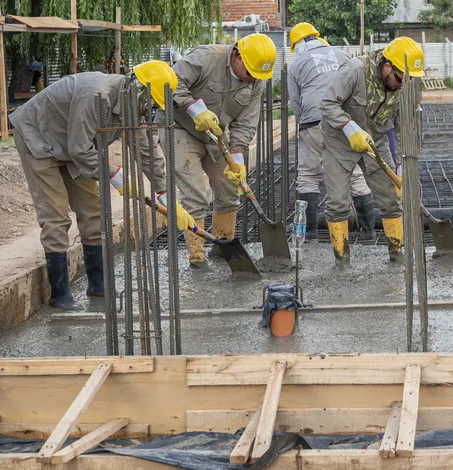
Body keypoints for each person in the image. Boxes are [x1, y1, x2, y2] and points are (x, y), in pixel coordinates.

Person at [9, 61, 194, 309]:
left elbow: (147, 151)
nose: (149, 110)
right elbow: (79, 149)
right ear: (139, 90)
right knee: (56, 216)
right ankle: (60, 293)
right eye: (150, 103)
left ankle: (98, 284)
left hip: (76, 146)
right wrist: (117, 176)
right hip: (40, 139)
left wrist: (166, 195)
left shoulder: (131, 107)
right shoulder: (97, 95)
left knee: (92, 214)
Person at [169, 33, 276, 268]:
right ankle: (197, 256)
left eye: (257, 76)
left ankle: (223, 245)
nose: (252, 80)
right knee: (196, 194)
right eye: (250, 73)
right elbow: (171, 80)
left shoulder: (255, 81)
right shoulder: (207, 57)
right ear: (237, 55)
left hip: (217, 135)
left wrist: (237, 158)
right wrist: (194, 108)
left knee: (229, 191)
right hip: (181, 128)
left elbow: (246, 123)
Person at [320, 37, 424, 267]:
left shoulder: (405, 84)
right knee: (338, 202)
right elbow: (327, 103)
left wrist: (403, 166)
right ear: (387, 66)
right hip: (340, 142)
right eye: (399, 78)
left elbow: (406, 127)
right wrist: (349, 127)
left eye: (408, 80)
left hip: (375, 142)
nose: (402, 85)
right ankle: (342, 261)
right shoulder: (355, 71)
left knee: (391, 200)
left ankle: (397, 255)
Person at [287, 22, 380, 242]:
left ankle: (308, 235)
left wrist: (305, 128)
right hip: (343, 121)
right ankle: (368, 232)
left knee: (309, 175)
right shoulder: (342, 54)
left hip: (313, 119)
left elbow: (296, 103)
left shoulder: (297, 63)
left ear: (297, 44)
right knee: (354, 172)